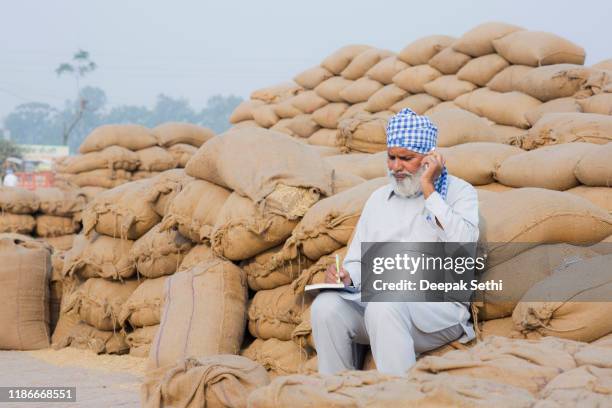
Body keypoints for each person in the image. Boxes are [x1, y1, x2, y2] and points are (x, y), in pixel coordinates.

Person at [311, 108, 479, 376]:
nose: (396, 167)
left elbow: (463, 248)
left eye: (406, 158)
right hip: (380, 307)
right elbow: (356, 260)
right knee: (325, 307)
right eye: (391, 157)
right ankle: (337, 393)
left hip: (438, 311)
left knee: (385, 301)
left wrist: (429, 188)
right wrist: (346, 278)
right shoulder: (378, 199)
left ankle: (397, 396)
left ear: (429, 159)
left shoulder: (459, 193)